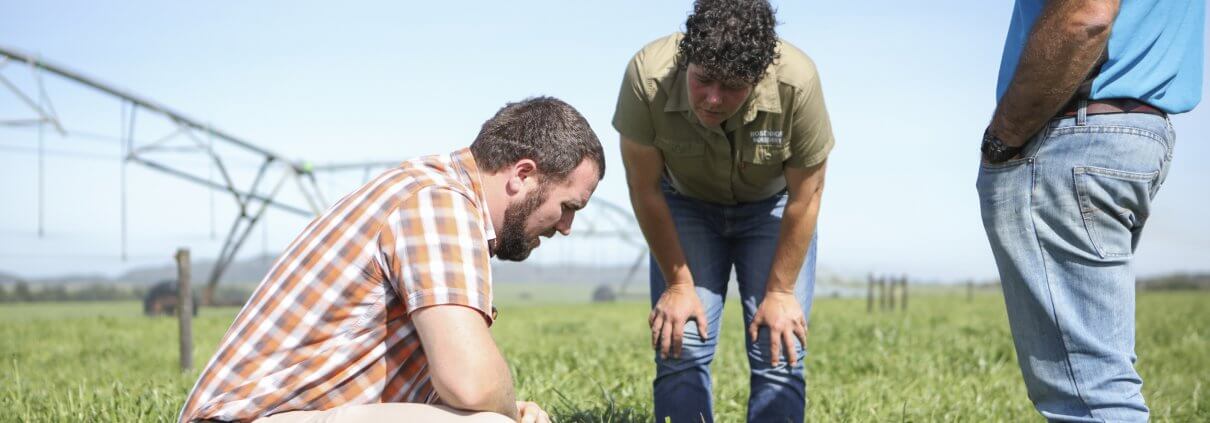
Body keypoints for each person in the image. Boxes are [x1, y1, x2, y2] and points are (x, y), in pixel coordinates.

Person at [178, 97, 605, 423]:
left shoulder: (430, 191)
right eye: (569, 206)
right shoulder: (438, 204)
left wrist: (507, 408)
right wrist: (507, 412)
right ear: (523, 175)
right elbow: (470, 382)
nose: (565, 226)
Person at [977, 0, 1202, 421]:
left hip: (1074, 133)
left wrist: (1002, 137)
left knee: (1088, 396)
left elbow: (1086, 15)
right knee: (1100, 375)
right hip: (1139, 131)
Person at [612, 0, 835, 421]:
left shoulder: (797, 83)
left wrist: (781, 293)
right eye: (703, 80)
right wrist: (679, 287)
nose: (713, 99)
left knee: (779, 344)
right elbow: (644, 190)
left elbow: (806, 198)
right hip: (682, 204)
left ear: (758, 75)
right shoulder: (647, 75)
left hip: (773, 207)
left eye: (732, 86)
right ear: (688, 59)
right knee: (683, 341)